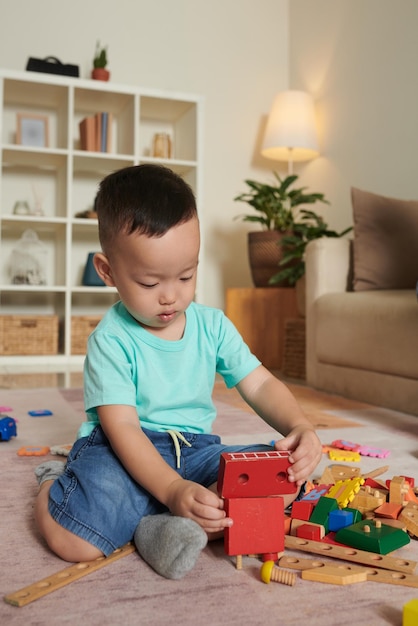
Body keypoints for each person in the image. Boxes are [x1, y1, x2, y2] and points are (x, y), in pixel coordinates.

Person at [34, 164, 322, 579]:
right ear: (107, 271)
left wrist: (299, 425)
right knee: (74, 542)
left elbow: (258, 383)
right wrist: (171, 489)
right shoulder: (111, 341)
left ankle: (160, 523)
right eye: (150, 283)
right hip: (125, 450)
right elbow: (125, 431)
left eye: (186, 276)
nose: (171, 296)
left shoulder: (212, 325)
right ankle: (52, 484)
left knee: (283, 480)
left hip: (195, 447)